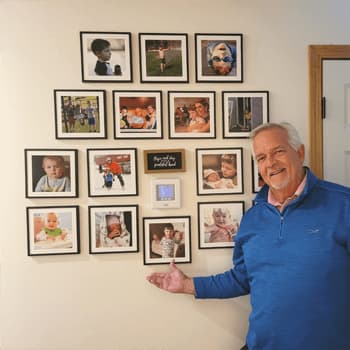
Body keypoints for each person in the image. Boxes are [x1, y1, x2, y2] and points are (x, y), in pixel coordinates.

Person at [146, 122, 350, 350]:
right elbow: (242, 277)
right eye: (261, 158)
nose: (270, 163)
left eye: (278, 152)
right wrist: (188, 285)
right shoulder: (253, 218)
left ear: (299, 152)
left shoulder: (343, 205)